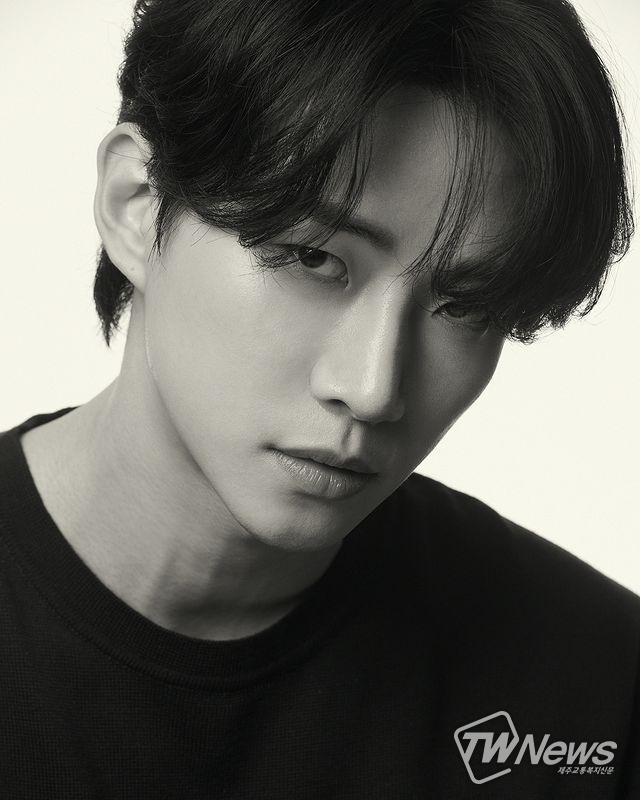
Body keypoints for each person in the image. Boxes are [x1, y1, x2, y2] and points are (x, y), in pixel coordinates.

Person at [0, 0, 637, 796]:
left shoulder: (597, 683)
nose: (372, 389)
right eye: (313, 258)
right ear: (137, 204)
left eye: (465, 306)